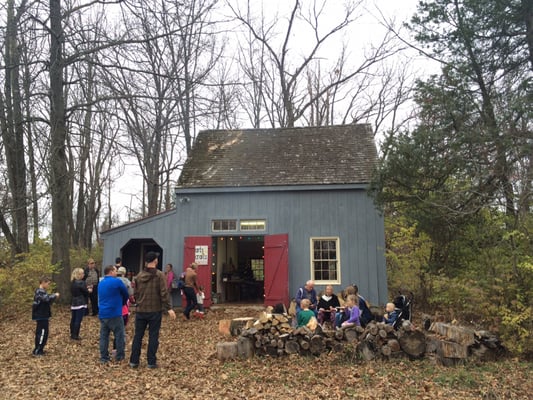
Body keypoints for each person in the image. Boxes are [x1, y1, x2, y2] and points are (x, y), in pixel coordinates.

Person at [129, 251, 176, 369]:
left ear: (146, 261)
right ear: (155, 261)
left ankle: (134, 361)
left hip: (141, 310)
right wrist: (169, 308)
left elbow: (135, 293)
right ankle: (151, 362)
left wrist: (139, 302)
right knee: (153, 336)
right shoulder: (160, 275)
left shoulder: (139, 276)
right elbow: (163, 293)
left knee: (138, 336)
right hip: (155, 310)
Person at [98, 265, 129, 364]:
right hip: (114, 312)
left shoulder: (101, 283)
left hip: (103, 313)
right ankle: (120, 356)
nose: (117, 273)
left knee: (104, 336)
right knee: (119, 335)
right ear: (111, 272)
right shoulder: (117, 282)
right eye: (115, 271)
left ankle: (104, 357)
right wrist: (123, 303)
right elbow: (126, 294)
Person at [31, 276, 60, 356]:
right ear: (43, 282)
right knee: (42, 332)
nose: (48, 285)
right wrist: (54, 295)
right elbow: (46, 299)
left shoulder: (42, 291)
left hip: (43, 315)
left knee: (43, 332)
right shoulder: (40, 292)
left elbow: (47, 301)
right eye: (47, 283)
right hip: (41, 315)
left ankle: (40, 348)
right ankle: (38, 349)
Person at [70, 267, 90, 340]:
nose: (84, 275)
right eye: (82, 273)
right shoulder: (81, 282)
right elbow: (86, 292)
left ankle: (72, 333)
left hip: (74, 302)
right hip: (80, 302)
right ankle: (75, 334)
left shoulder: (72, 282)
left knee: (73, 318)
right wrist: (89, 291)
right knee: (78, 319)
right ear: (79, 274)